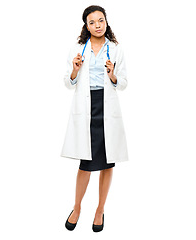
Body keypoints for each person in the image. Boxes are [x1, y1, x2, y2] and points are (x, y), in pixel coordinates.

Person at [61, 5, 129, 232]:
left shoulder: (116, 49)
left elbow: (124, 83)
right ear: (86, 26)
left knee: (108, 161)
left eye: (101, 20)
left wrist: (113, 76)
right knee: (86, 163)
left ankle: (100, 209)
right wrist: (74, 70)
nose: (98, 25)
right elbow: (68, 82)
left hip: (106, 108)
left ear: (106, 22)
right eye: (92, 22)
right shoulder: (78, 48)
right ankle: (77, 207)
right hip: (87, 107)